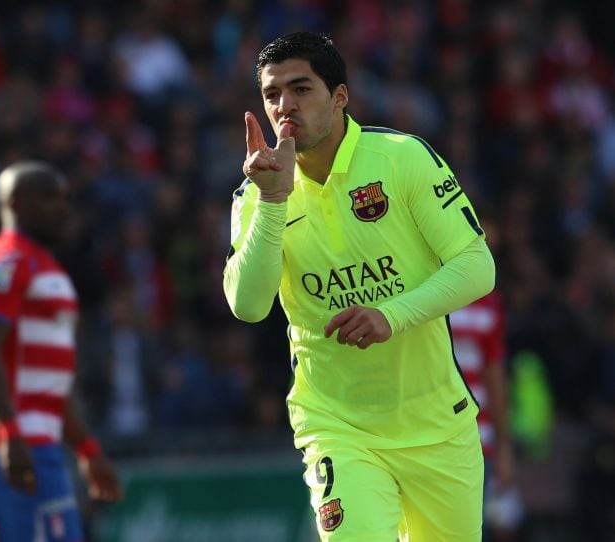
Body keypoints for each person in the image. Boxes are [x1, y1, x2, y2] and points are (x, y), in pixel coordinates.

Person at [223, 32, 495, 541]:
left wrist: (390, 315)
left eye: (301, 89)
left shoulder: (401, 158)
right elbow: (248, 306)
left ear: (340, 96)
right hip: (337, 426)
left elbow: (478, 267)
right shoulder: (258, 193)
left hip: (437, 423)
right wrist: (275, 202)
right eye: (272, 94)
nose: (285, 106)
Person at [0, 161, 123, 542]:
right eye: (49, 197)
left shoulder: (43, 264)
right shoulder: (8, 259)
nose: (63, 207)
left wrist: (86, 448)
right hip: (15, 439)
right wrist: (9, 432)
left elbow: (49, 380)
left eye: (65, 198)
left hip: (38, 438)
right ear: (16, 204)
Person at [451, 290, 523, 541]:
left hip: (477, 440)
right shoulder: (412, 281)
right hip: (418, 434)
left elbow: (495, 372)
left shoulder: (488, 298)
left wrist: (504, 446)